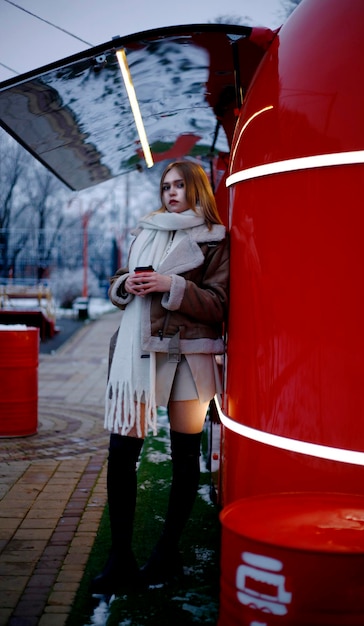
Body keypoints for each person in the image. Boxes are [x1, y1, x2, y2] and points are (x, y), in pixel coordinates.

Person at [91, 160, 229, 595]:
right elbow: (118, 280)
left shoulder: (215, 239)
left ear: (197, 189)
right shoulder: (145, 230)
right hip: (138, 354)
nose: (171, 192)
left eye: (180, 185)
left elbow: (219, 305)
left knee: (185, 456)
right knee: (121, 452)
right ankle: (120, 558)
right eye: (166, 186)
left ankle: (168, 553)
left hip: (188, 357)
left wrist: (172, 285)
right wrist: (125, 284)